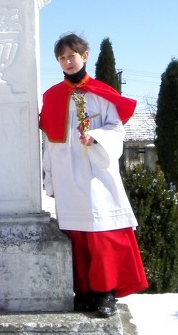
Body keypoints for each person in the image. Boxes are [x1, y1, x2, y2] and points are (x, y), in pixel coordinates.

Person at [39, 33, 148, 318]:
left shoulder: (102, 92)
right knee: (76, 236)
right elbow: (49, 141)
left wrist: (96, 138)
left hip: (96, 173)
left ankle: (105, 293)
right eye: (61, 58)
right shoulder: (52, 96)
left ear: (84, 56)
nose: (67, 62)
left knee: (101, 235)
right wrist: (49, 178)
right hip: (67, 175)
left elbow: (116, 129)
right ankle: (84, 293)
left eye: (71, 56)